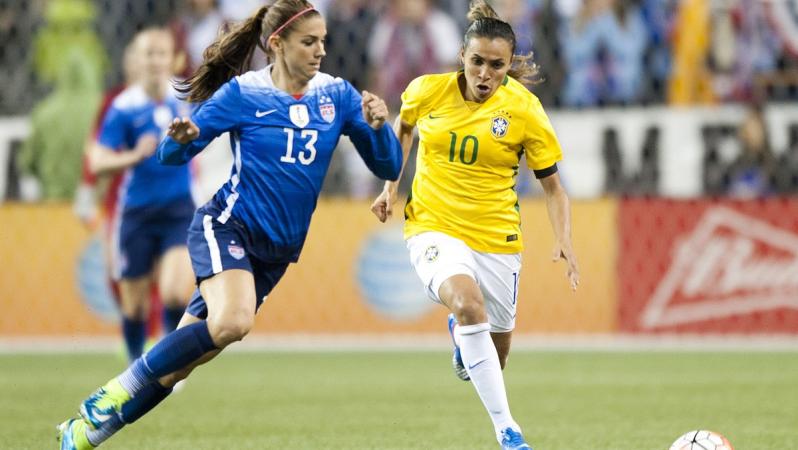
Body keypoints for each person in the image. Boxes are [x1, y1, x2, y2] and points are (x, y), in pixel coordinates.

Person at [56, 2, 402, 449]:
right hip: (227, 228)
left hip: (274, 254)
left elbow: (388, 164)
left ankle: (83, 434)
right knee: (233, 323)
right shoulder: (244, 93)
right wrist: (178, 141)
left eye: (323, 42)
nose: (320, 51)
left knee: (180, 363)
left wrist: (377, 128)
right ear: (277, 44)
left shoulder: (337, 95)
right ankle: (113, 391)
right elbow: (172, 153)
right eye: (309, 42)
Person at [370, 2, 579, 449]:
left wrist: (563, 237)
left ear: (508, 66)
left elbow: (554, 187)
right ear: (462, 57)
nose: (485, 73)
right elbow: (403, 129)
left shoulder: (524, 110)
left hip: (497, 239)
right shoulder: (426, 91)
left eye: (496, 65)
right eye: (477, 62)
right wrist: (391, 186)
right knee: (466, 303)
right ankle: (509, 432)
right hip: (433, 225)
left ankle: (464, 343)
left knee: (492, 357)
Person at [84, 29, 195, 364]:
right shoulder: (124, 107)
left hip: (179, 207)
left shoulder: (185, 98)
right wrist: (133, 156)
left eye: (162, 53)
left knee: (176, 290)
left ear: (171, 58)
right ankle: (136, 368)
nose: (156, 61)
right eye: (149, 54)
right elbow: (99, 161)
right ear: (137, 60)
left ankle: (168, 363)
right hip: (137, 212)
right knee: (135, 305)